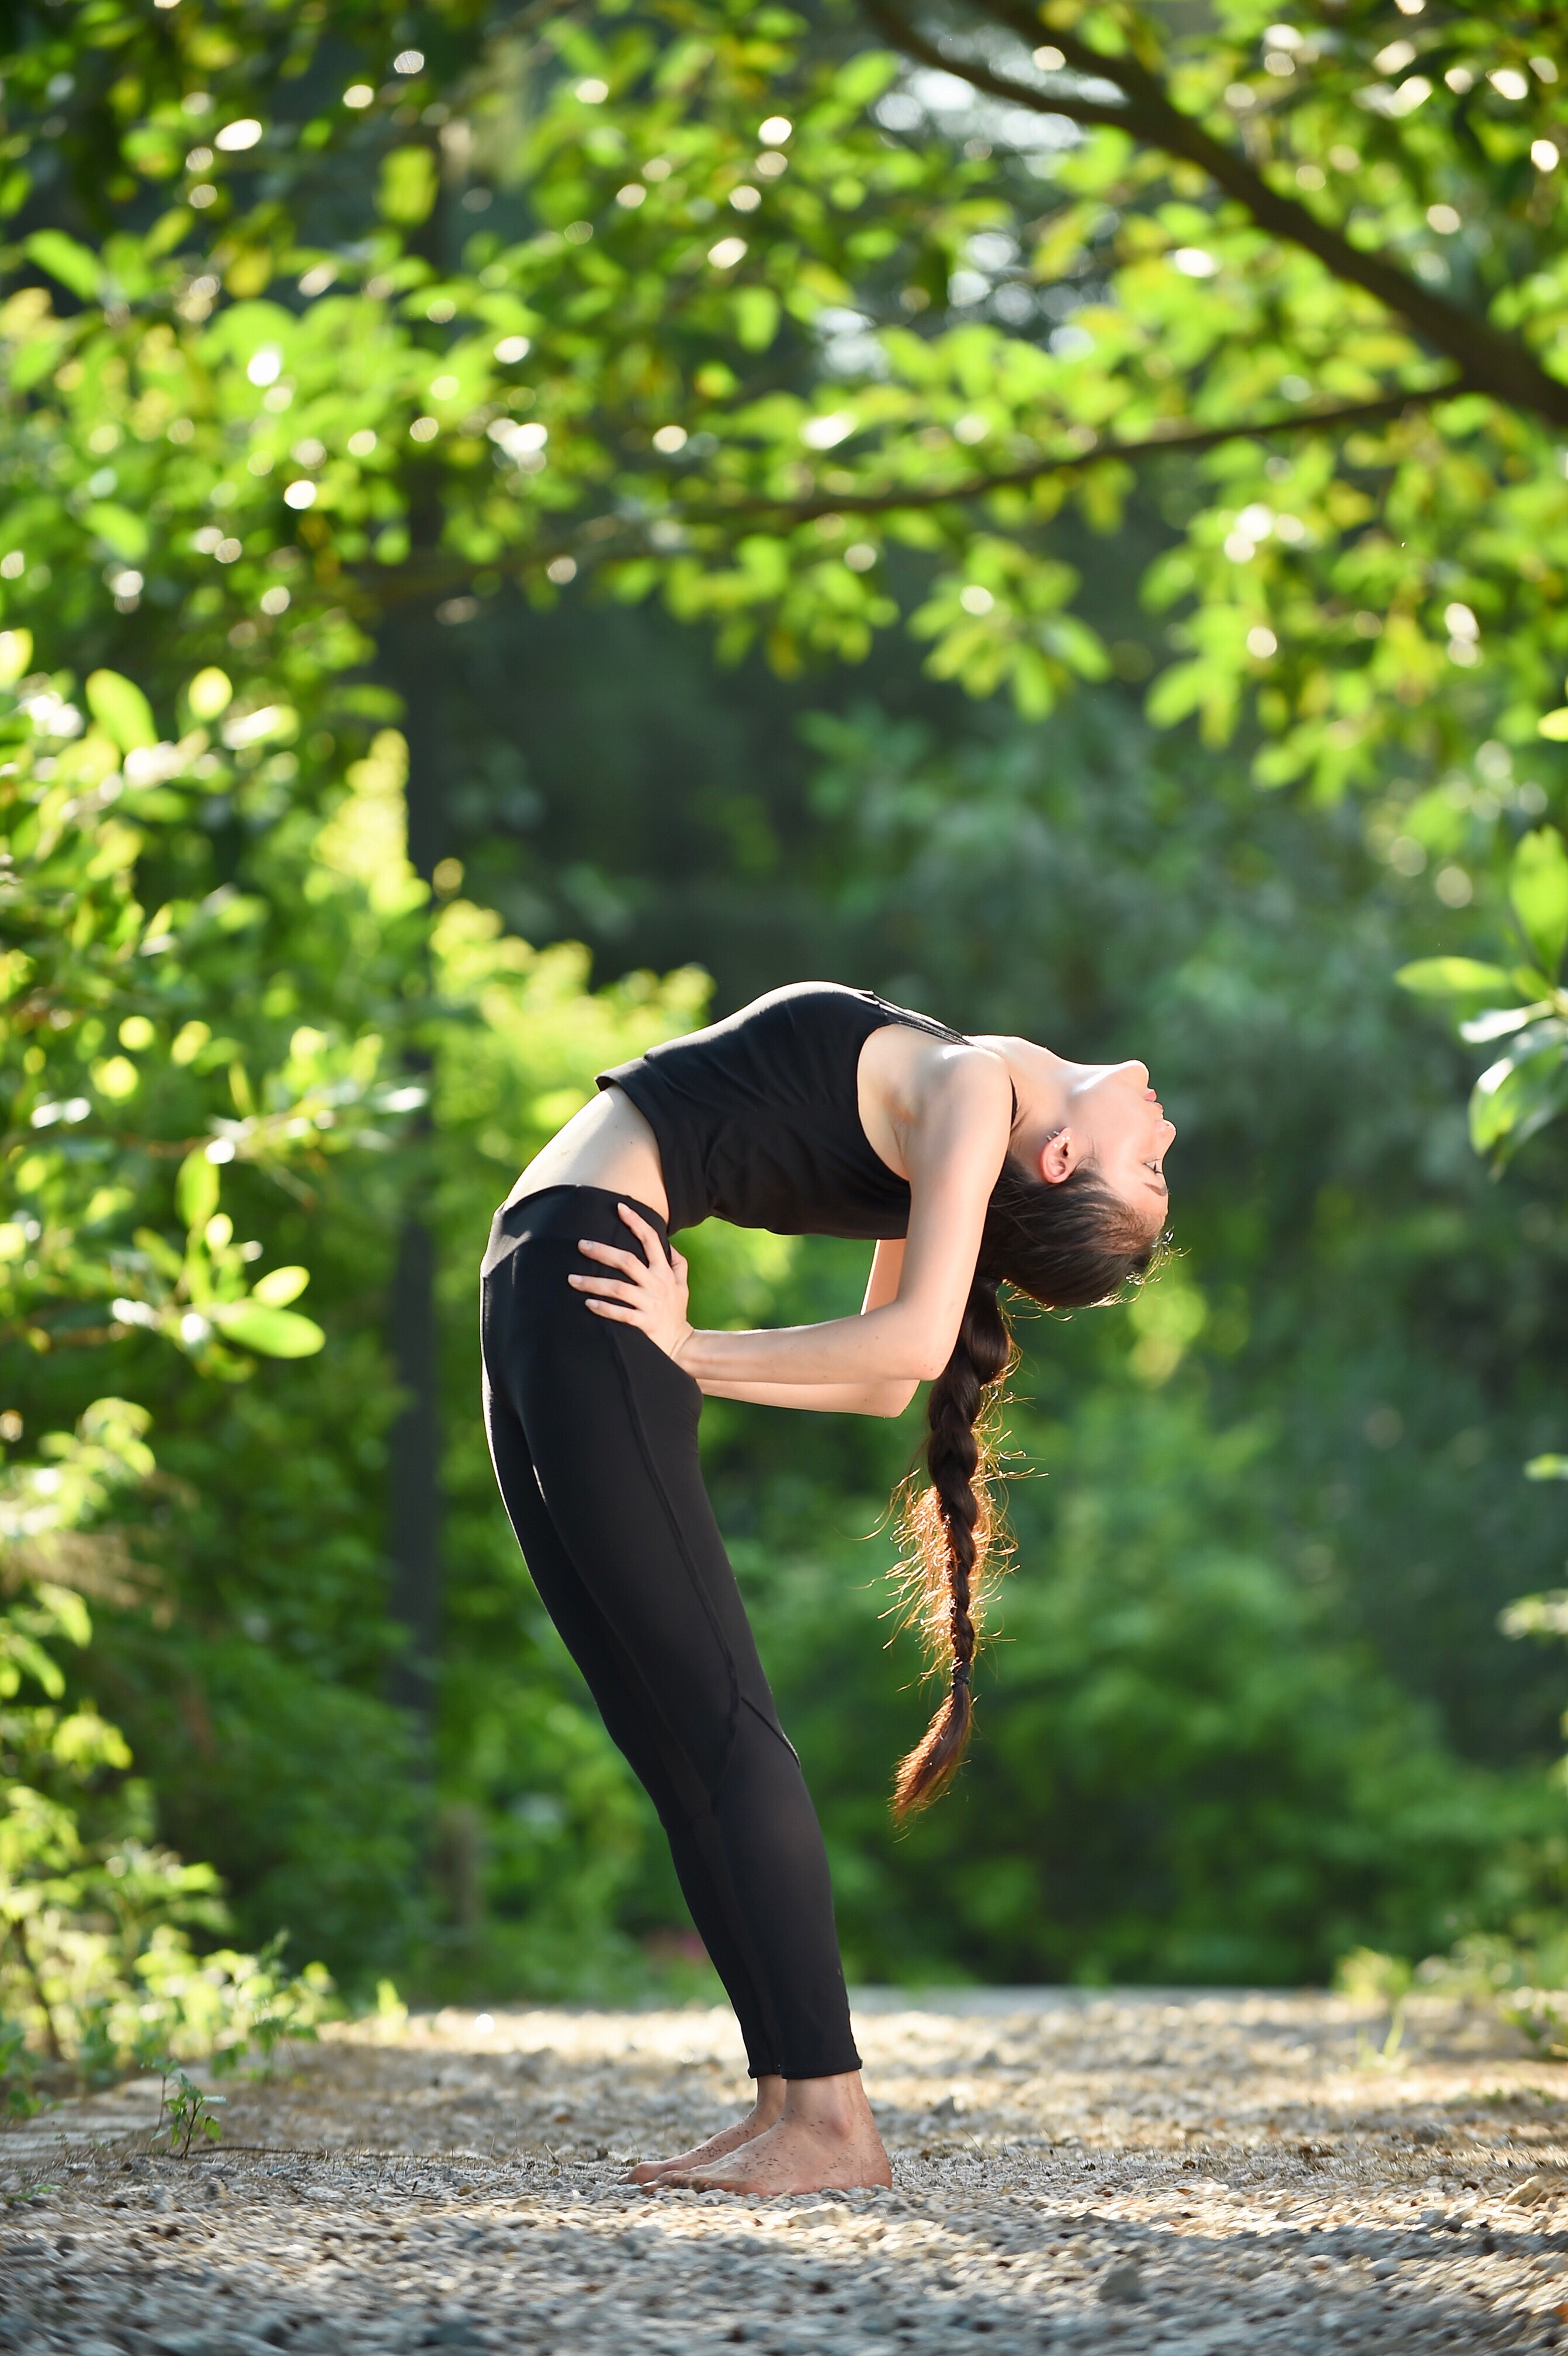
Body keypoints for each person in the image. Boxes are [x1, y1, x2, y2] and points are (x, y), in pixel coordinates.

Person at [480, 982, 1173, 2196]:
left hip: (588, 1277)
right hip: (544, 1286)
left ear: (1059, 1158)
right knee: (668, 1735)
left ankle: (834, 2125)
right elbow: (878, 1386)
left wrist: (684, 1350)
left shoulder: (971, 1090)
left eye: (1151, 1175)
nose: (1167, 1142)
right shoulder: (958, 1092)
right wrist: (681, 1354)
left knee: (719, 1721)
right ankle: (786, 2103)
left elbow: (905, 1350)